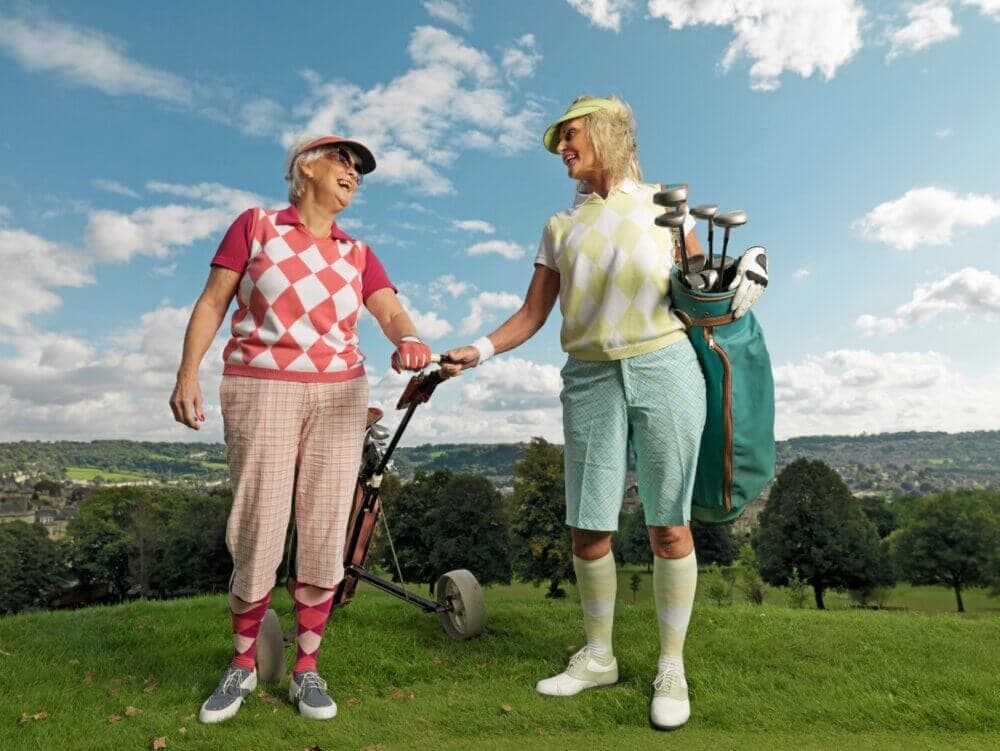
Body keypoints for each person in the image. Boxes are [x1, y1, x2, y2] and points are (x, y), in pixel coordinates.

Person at [443, 95, 707, 731]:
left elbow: (702, 291)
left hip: (664, 363)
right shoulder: (559, 227)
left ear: (610, 133)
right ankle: (599, 656)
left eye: (572, 135)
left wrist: (721, 280)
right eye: (559, 140)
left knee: (669, 524)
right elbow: (533, 315)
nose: (562, 149)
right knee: (589, 526)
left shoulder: (667, 206)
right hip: (589, 376)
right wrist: (476, 350)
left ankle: (671, 664)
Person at [169, 134, 432, 724]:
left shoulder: (357, 252)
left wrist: (408, 338)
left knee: (322, 528)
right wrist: (188, 373)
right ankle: (242, 664)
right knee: (259, 522)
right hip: (261, 386)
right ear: (304, 168)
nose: (354, 172)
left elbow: (388, 307)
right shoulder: (256, 225)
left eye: (359, 168)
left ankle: (307, 669)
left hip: (340, 393)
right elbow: (212, 302)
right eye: (343, 159)